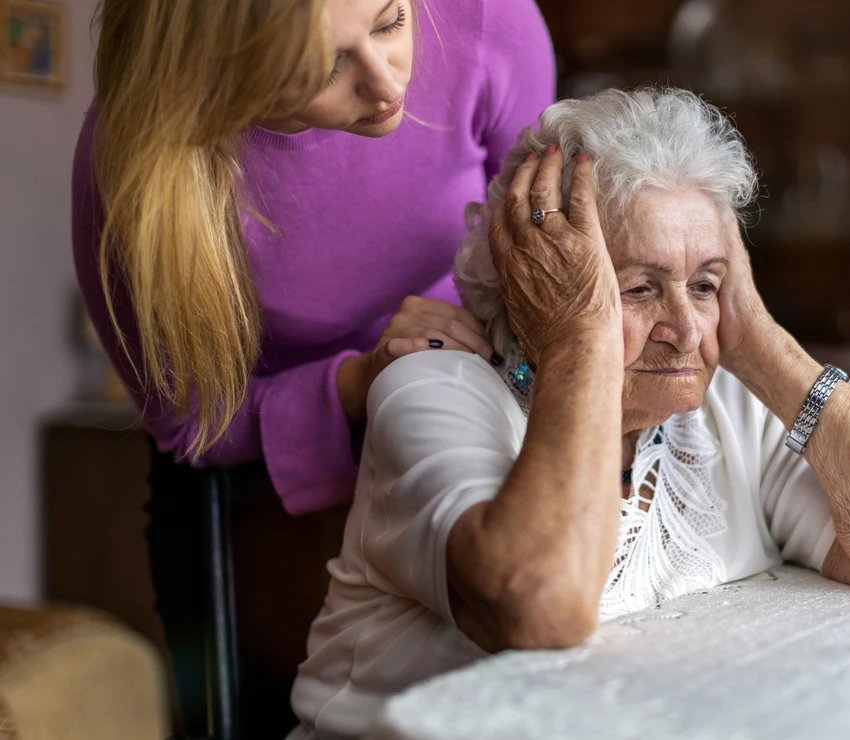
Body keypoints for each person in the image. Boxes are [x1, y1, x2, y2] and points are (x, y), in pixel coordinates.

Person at [288, 88, 850, 739]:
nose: (685, 330)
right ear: (537, 283)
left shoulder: (724, 403)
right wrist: (578, 334)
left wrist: (762, 344)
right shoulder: (438, 388)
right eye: (637, 288)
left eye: (704, 284)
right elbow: (539, 606)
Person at [71, 0, 553, 731]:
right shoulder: (131, 160)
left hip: (459, 410)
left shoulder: (483, 16)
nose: (388, 83)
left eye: (390, 22)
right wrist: (356, 382)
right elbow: (187, 420)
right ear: (222, 77)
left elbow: (539, 242)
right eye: (324, 66)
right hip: (250, 480)